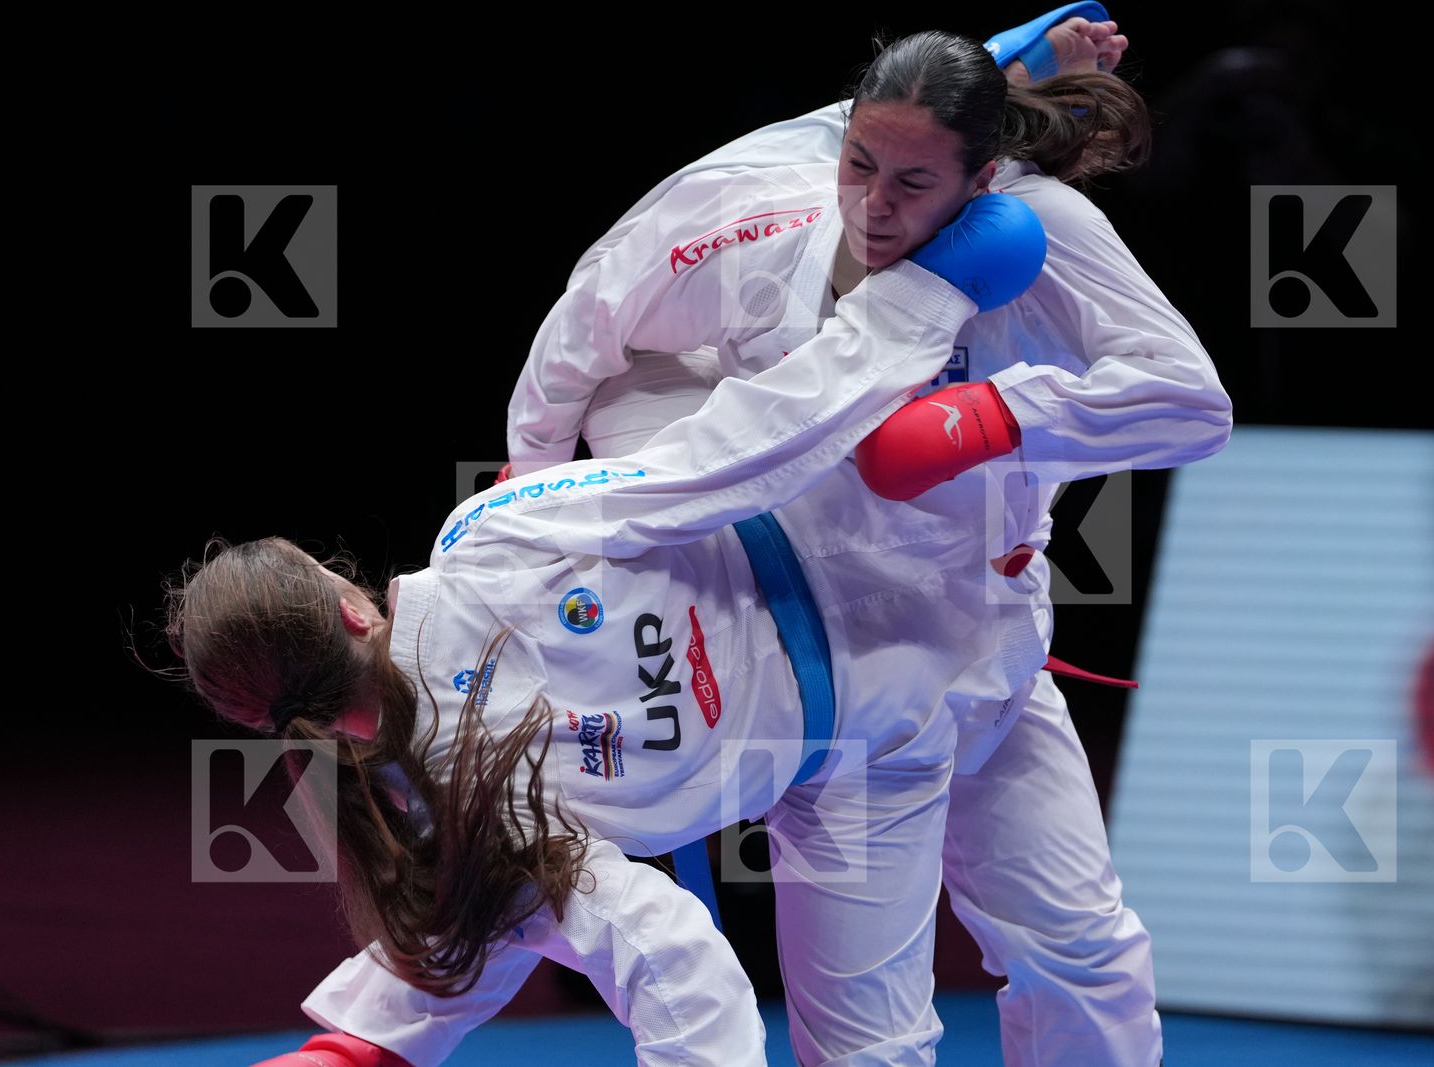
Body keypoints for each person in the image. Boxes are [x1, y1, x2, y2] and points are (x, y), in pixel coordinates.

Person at [494, 13, 1231, 1066]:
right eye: (860, 165)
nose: (874, 206)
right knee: (866, 1041)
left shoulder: (1048, 231)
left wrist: (996, 419)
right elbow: (581, 330)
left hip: (994, 647)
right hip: (849, 686)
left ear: (983, 179)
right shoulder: (755, 201)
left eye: (915, 185)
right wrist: (536, 497)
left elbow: (1191, 403)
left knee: (1084, 950)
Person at [170, 200, 1056, 1067]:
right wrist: (923, 300)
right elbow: (718, 460)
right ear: (348, 606)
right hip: (878, 583)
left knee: (888, 1041)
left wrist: (353, 1048)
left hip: (871, 724)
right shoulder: (484, 543)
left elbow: (672, 964)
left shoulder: (448, 817)